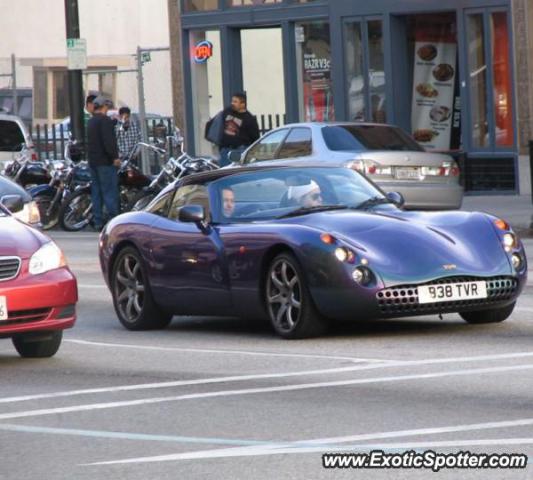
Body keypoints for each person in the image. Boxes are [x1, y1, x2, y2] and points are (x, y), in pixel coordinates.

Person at [87, 96, 121, 231]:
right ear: (103, 107)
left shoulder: (91, 122)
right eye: (107, 107)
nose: (108, 109)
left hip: (93, 161)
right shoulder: (105, 121)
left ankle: (98, 221)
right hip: (105, 162)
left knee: (96, 192)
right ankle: (114, 222)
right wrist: (115, 157)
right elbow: (109, 142)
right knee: (109, 192)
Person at [207, 93, 260, 167]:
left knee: (236, 172)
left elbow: (255, 137)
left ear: (242, 104)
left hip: (240, 151)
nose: (232, 103)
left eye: (235, 102)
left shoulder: (249, 119)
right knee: (224, 172)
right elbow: (216, 124)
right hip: (225, 150)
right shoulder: (227, 112)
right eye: (232, 101)